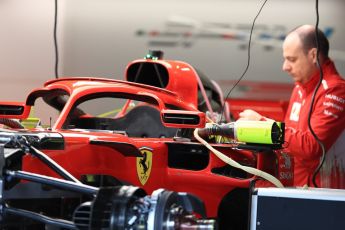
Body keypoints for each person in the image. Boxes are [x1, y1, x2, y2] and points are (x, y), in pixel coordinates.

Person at [238, 25, 345, 188]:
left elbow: (313, 147)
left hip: (322, 197)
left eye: (292, 59)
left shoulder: (336, 91)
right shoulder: (300, 86)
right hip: (295, 189)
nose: (285, 66)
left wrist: (263, 124)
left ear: (313, 55)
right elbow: (289, 140)